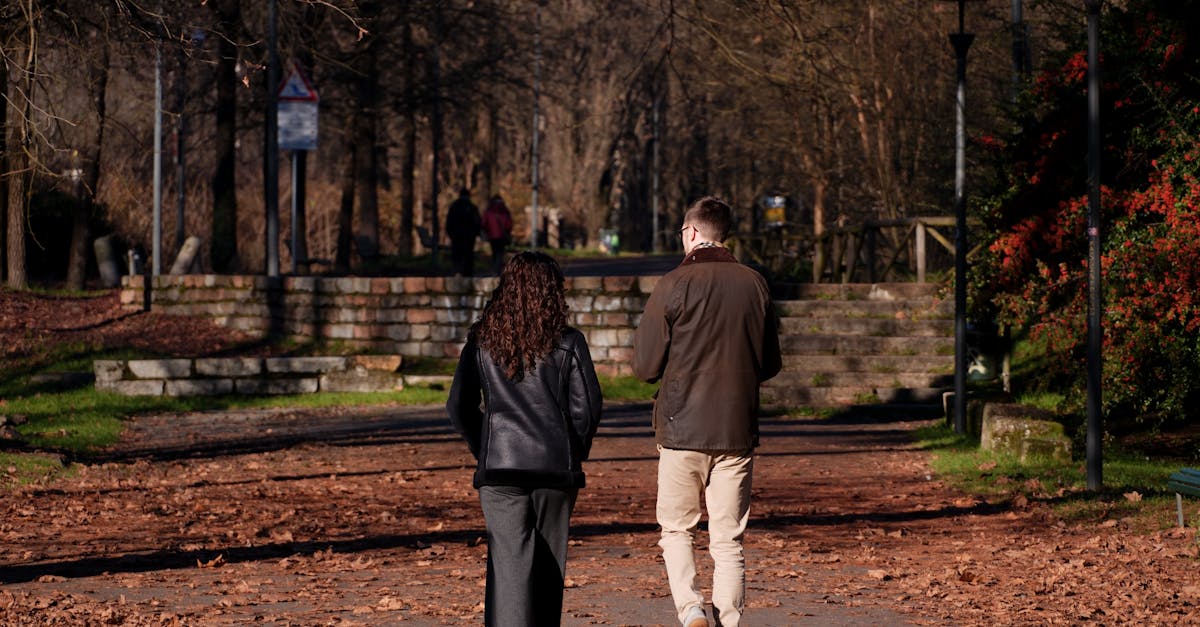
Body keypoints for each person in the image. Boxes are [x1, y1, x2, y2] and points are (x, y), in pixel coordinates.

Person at [632, 196, 782, 627]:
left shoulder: (673, 284)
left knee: (677, 529)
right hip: (736, 427)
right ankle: (730, 619)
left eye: (683, 232)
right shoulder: (755, 283)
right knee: (729, 538)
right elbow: (769, 362)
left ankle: (692, 609)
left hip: (681, 428)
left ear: (693, 233)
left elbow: (644, 366)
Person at [447, 251, 604, 627]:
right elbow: (588, 407)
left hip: (500, 469)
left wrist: (484, 445)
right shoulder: (568, 342)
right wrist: (571, 449)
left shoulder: (482, 342)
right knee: (550, 567)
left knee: (510, 568)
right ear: (553, 292)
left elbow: (459, 405)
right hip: (555, 469)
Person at [447, 188, 481, 276]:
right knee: (468, 255)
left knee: (457, 255)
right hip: (469, 236)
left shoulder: (454, 206)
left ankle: (457, 272)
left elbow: (449, 221)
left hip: (456, 235)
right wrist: (476, 233)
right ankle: (468, 273)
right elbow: (477, 221)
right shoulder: (472, 207)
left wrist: (450, 233)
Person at [481, 194, 514, 274]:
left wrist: (486, 232)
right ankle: (497, 270)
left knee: (495, 252)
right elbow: (509, 224)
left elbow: (484, 223)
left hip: (492, 236)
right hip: (502, 236)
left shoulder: (489, 210)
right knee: (500, 253)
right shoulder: (505, 210)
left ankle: (494, 269)